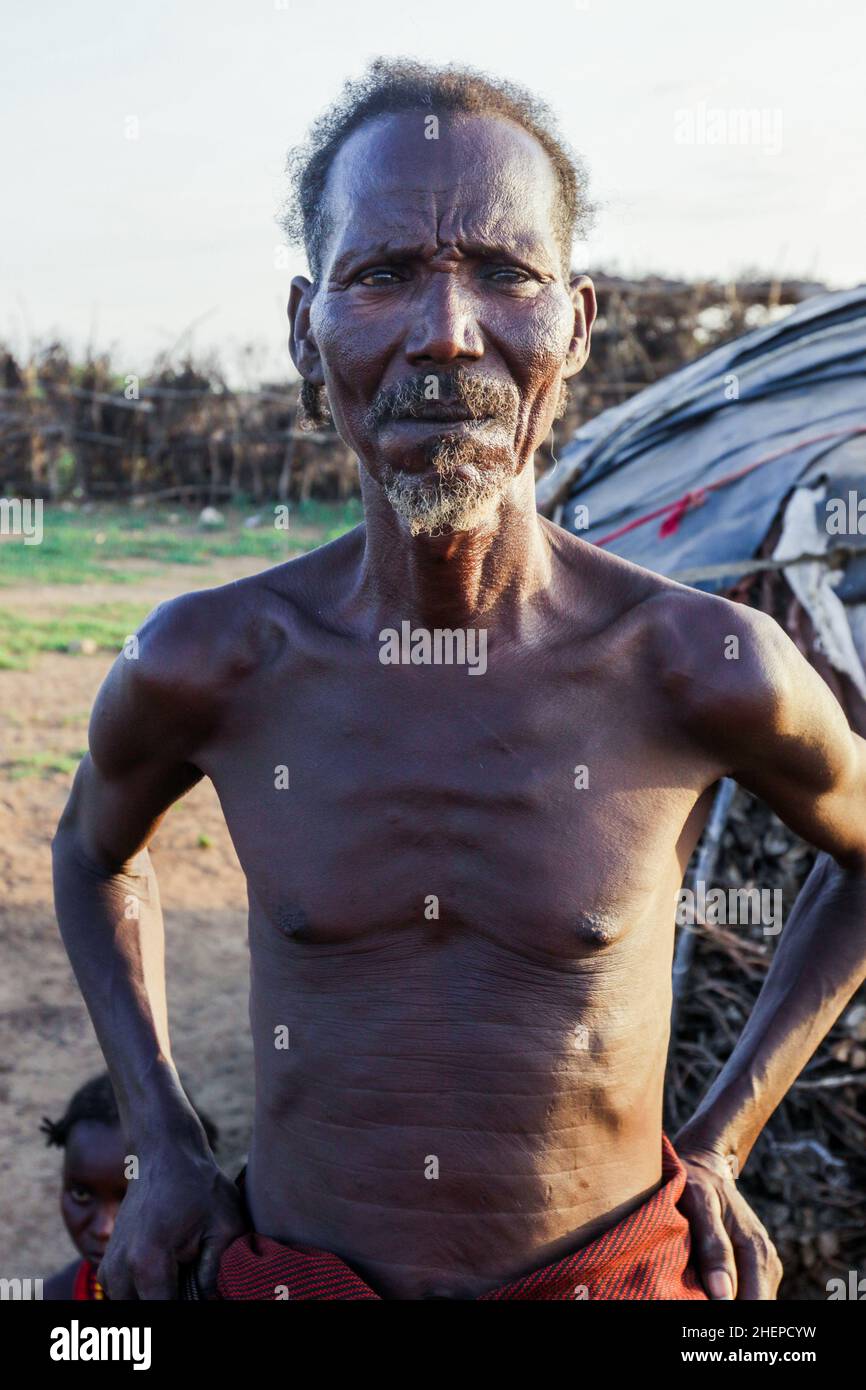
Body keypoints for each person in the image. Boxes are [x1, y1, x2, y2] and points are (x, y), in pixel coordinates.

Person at [53, 58, 866, 1300]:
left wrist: (718, 1139)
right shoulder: (208, 661)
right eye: (382, 273)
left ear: (577, 323)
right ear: (300, 325)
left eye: (504, 271)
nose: (446, 331)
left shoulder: (696, 667)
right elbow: (90, 849)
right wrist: (164, 1140)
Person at [41, 1072, 217, 1300]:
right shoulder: (55, 1295)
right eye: (81, 1194)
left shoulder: (238, 1284)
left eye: (131, 1197)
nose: (103, 1229)